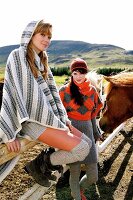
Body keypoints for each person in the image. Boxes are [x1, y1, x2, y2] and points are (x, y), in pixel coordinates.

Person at [0, 20, 92, 187]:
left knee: (88, 142)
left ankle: (48, 156)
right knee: (82, 149)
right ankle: (41, 163)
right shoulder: (17, 56)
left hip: (48, 118)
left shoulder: (42, 60)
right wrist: (9, 133)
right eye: (42, 34)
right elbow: (11, 95)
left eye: (49, 36)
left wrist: (61, 118)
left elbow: (52, 94)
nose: (47, 40)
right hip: (31, 121)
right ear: (30, 35)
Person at [59, 58, 103, 200]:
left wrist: (96, 132)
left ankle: (79, 189)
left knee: (93, 175)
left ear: (86, 73)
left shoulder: (92, 91)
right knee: (75, 172)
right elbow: (58, 115)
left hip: (89, 135)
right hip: (73, 136)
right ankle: (76, 196)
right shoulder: (64, 91)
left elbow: (92, 115)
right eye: (75, 73)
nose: (79, 76)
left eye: (82, 73)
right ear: (72, 73)